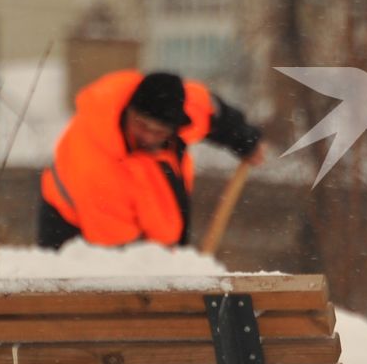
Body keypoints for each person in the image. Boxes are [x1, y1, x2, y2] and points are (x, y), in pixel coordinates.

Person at [38, 69, 265, 249]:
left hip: (147, 219)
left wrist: (245, 140)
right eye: (141, 125)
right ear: (129, 110)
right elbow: (124, 255)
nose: (147, 136)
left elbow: (211, 110)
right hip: (72, 231)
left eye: (158, 131)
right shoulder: (98, 167)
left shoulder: (181, 104)